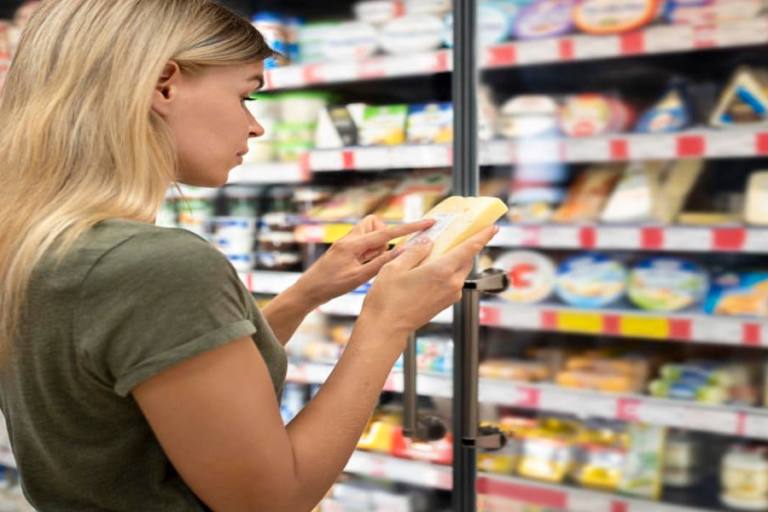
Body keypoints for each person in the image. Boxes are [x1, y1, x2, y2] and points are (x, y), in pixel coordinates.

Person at [0, 1, 497, 511]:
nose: (256, 126)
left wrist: (308, 293)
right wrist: (387, 323)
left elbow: (166, 376)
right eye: (245, 95)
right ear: (163, 84)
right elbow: (272, 502)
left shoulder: (36, 241)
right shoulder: (154, 263)